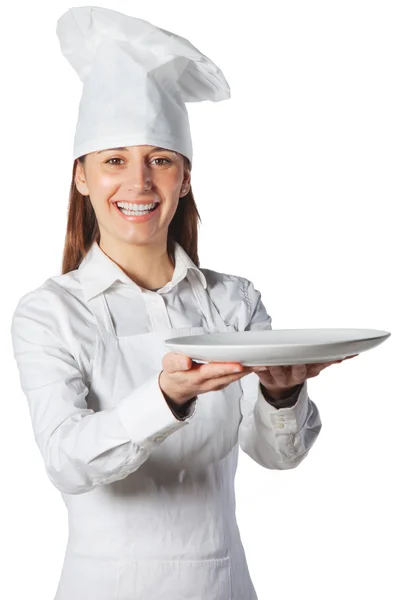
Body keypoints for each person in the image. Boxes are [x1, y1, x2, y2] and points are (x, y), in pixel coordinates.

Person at [9, 7, 354, 600]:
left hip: (223, 586)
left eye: (160, 160)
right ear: (82, 177)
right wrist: (166, 397)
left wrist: (282, 392)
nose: (139, 183)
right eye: (114, 160)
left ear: (185, 178)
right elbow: (66, 461)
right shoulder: (49, 313)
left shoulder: (234, 300)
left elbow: (279, 455)